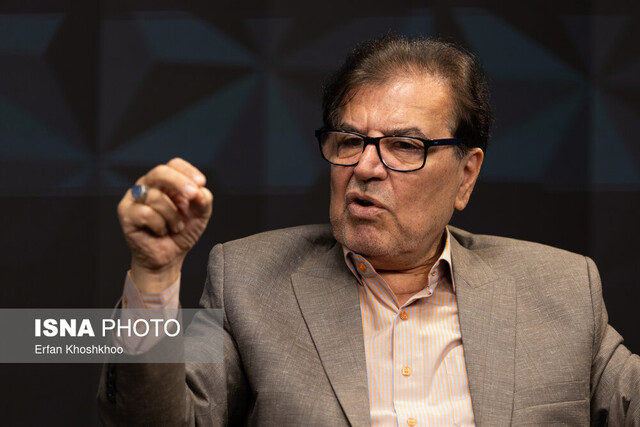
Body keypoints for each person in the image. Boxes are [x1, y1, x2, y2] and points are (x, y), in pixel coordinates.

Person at [98, 35, 640, 426]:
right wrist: (155, 275)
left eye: (404, 146)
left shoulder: (562, 288)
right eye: (350, 141)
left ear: (466, 175)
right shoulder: (249, 280)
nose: (365, 167)